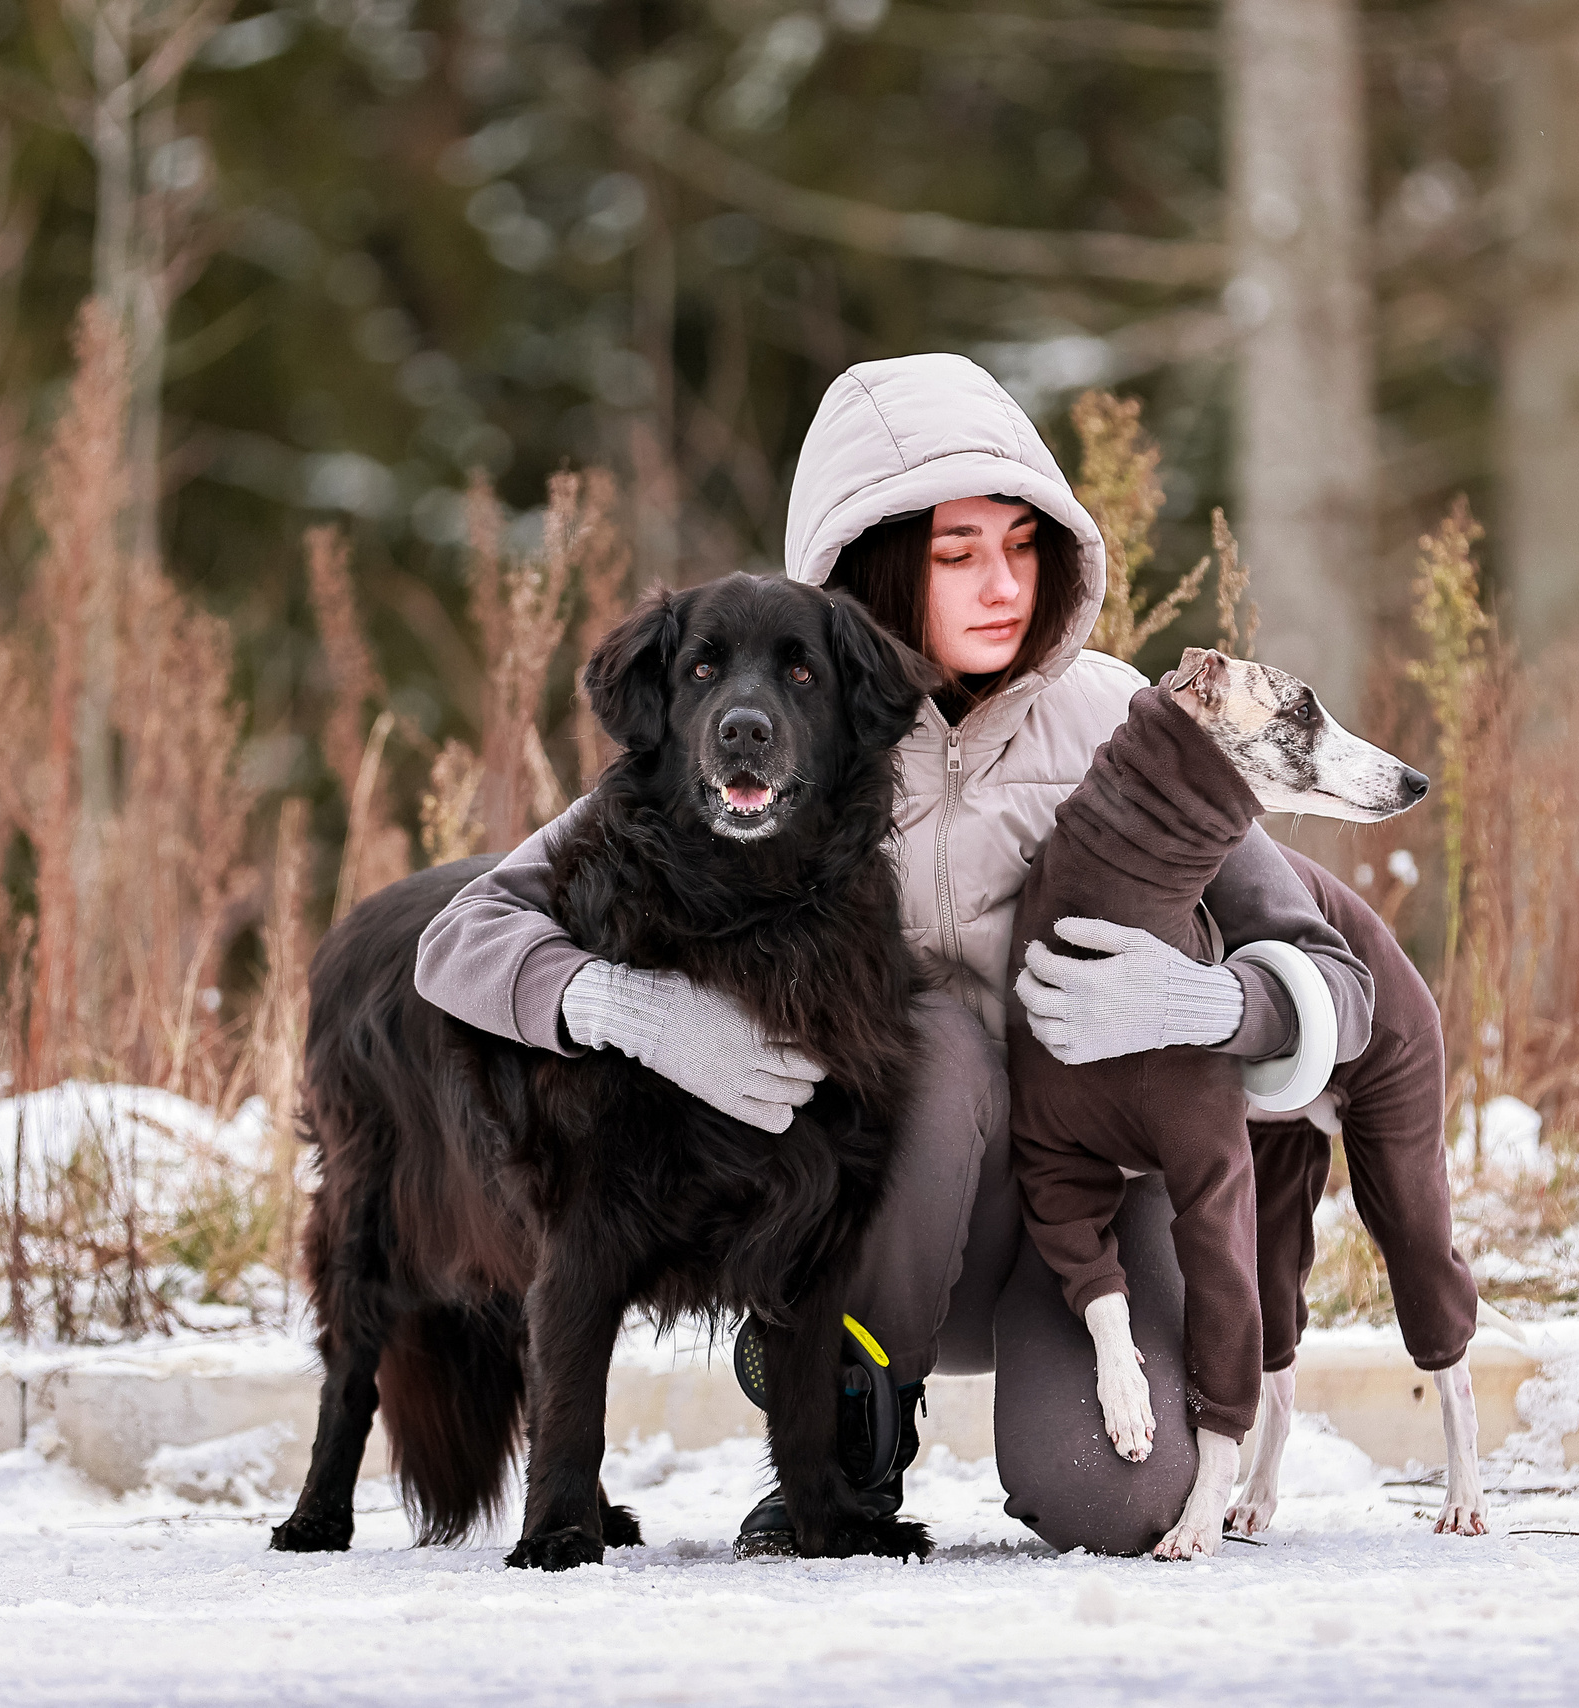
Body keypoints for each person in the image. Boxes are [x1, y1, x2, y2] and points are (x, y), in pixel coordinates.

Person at [412, 352, 1376, 1555]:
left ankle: (1051, 1414)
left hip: (1084, 1218)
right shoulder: (782, 735)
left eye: (1023, 546)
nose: (1001, 584)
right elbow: (462, 938)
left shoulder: (1120, 723)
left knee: (1124, 1503)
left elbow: (1335, 974)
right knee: (936, 1037)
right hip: (881, 1234)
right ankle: (846, 1447)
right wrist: (626, 1007)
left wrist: (1210, 1000)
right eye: (956, 550)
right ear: (873, 558)